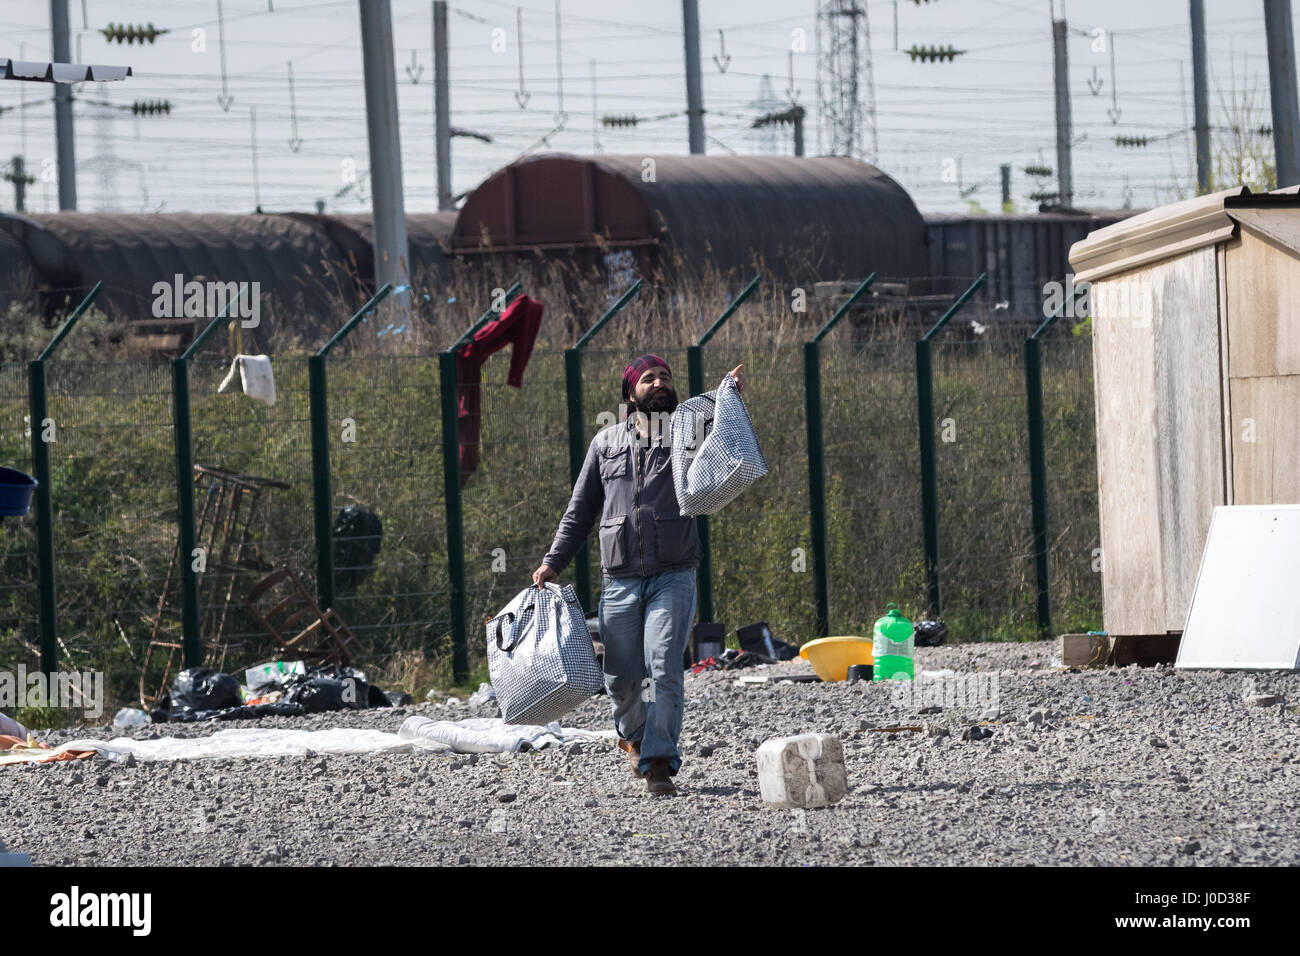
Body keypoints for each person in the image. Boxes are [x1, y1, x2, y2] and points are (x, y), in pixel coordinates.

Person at [533, 354, 747, 796]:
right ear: (630, 394)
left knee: (664, 665)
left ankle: (660, 763)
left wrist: (729, 398)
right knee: (620, 677)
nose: (659, 383)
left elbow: (728, 440)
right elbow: (580, 512)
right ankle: (632, 737)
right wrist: (553, 562)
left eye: (665, 377)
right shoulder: (605, 444)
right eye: (648, 379)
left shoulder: (689, 437)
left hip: (674, 574)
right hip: (620, 580)